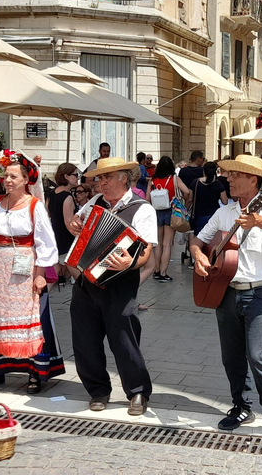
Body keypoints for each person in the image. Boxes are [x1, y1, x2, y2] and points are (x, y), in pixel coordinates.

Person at [190, 154, 262, 445]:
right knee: (231, 357)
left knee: (258, 355)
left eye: (236, 175)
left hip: (258, 291)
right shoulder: (224, 212)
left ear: (254, 180)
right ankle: (242, 406)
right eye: (229, 174)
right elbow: (197, 240)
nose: (229, 179)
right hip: (224, 291)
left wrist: (259, 221)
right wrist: (198, 256)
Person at [67, 157, 157, 415]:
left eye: (107, 177)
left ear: (124, 178)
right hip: (86, 282)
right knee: (85, 339)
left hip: (120, 283)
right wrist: (74, 224)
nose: (100, 183)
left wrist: (131, 262)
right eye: (99, 178)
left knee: (124, 339)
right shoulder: (94, 203)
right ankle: (98, 390)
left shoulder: (142, 209)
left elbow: (146, 251)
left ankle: (138, 391)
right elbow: (77, 224)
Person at [0, 151, 64, 393]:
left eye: (14, 176)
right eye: (6, 176)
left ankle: (35, 373)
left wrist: (39, 274)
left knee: (29, 320)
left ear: (26, 180)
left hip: (25, 268)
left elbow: (46, 243)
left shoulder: (34, 206)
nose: (8, 180)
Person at [147, 156, 190, 282]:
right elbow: (186, 191)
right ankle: (163, 273)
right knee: (167, 245)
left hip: (156, 213)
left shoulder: (153, 181)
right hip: (171, 212)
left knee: (158, 244)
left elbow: (147, 199)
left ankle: (156, 270)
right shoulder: (175, 179)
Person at [46, 163, 79, 283]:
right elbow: (68, 223)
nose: (78, 178)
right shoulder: (67, 197)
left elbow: (48, 214)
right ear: (66, 176)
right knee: (78, 274)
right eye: (75, 175)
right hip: (66, 240)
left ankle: (41, 298)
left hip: (55, 235)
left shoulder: (51, 194)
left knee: (55, 273)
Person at [188, 161, 227, 235]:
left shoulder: (195, 183)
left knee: (198, 238)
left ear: (204, 171)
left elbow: (190, 199)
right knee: (212, 239)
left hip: (198, 215)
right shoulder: (218, 185)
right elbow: (225, 201)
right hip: (214, 216)